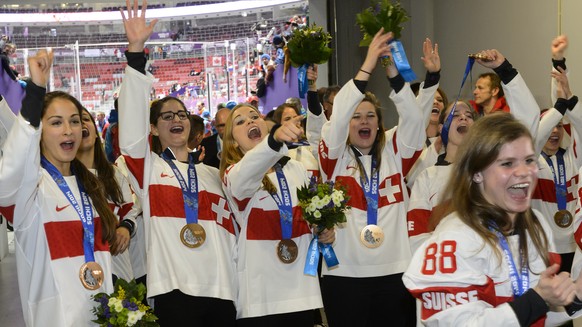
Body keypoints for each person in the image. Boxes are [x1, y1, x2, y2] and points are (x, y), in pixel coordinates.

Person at [118, 2, 237, 325]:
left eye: (181, 114)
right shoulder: (148, 169)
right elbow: (129, 136)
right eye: (166, 116)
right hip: (174, 291)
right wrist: (136, 53)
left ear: (191, 125)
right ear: (154, 129)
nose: (176, 119)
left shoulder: (215, 175)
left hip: (222, 289)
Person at [403, 113, 582, 326]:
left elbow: (537, 316)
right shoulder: (453, 239)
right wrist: (537, 299)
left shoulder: (536, 225)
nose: (524, 172)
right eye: (507, 163)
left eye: (529, 160)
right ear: (477, 173)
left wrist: (575, 295)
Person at [317, 29, 439, 327]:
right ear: (345, 124)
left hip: (395, 272)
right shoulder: (333, 158)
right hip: (344, 275)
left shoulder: (396, 152)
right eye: (356, 116)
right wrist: (368, 64)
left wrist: (397, 75)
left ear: (380, 123)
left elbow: (413, 119)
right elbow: (337, 119)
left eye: (371, 115)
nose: (363, 121)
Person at [0, 49, 117, 326]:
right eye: (56, 122)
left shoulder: (93, 185)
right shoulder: (31, 189)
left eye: (74, 121)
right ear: (39, 131)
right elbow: (8, 180)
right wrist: (36, 92)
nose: (68, 130)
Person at [219, 105, 335, 325]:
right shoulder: (233, 174)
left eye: (255, 117)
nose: (251, 122)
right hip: (261, 296)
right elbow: (248, 172)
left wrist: (323, 231)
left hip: (301, 289)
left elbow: (310, 219)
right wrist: (273, 141)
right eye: (240, 122)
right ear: (233, 141)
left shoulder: (296, 168)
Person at [531, 35, 582, 275]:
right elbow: (555, 109)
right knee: (548, 308)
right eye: (550, 125)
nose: (555, 130)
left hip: (573, 244)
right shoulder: (531, 159)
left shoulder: (573, 157)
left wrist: (558, 62)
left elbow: (568, 113)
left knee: (570, 308)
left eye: (559, 127)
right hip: (542, 246)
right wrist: (559, 105)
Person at [77, 106, 139, 282]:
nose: (81, 125)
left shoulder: (114, 173)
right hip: (81, 264)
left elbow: (131, 208)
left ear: (96, 132)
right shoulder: (62, 177)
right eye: (75, 122)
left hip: (117, 264)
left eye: (85, 119)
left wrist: (125, 227)